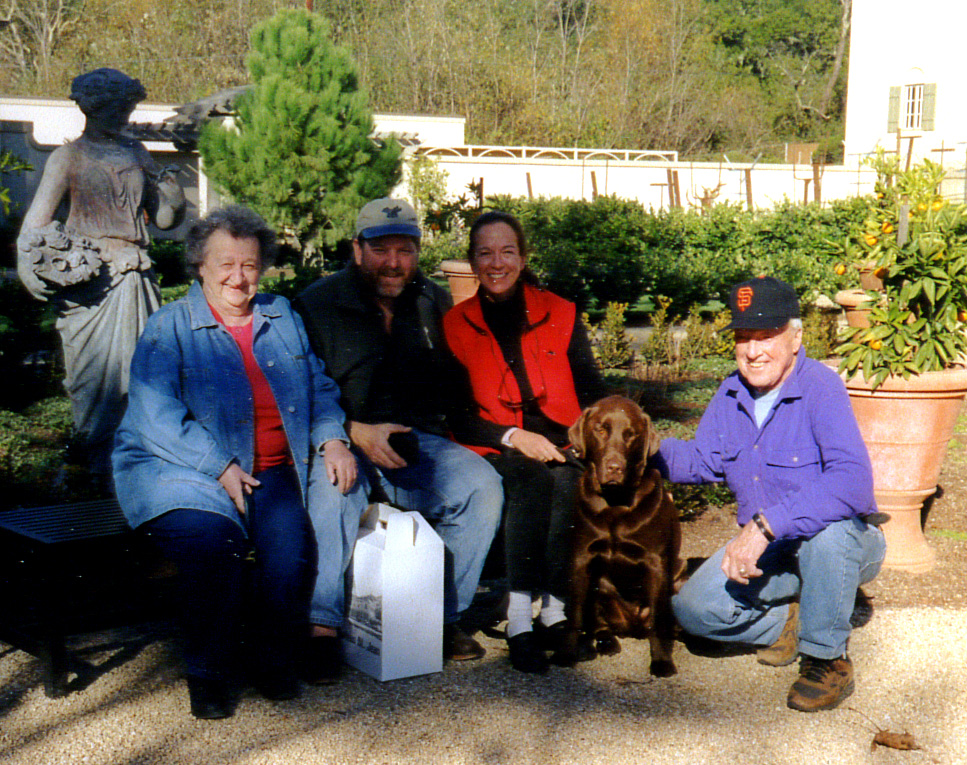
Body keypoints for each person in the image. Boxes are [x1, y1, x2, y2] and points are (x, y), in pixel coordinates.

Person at [113, 206, 368, 720]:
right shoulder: (170, 326)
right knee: (214, 544)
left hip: (267, 468)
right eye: (225, 264)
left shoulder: (281, 315)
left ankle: (270, 659)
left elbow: (318, 386)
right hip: (179, 469)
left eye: (249, 265)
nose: (238, 277)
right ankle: (207, 673)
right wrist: (219, 464)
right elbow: (154, 414)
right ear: (199, 266)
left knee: (290, 551)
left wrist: (332, 440)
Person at [657, 275, 886, 712]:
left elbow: (851, 483)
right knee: (693, 610)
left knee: (829, 536)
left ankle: (827, 659)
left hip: (845, 543)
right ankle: (792, 620)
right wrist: (639, 450)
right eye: (743, 337)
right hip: (777, 550)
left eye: (766, 336)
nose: (753, 350)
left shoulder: (821, 387)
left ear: (795, 339)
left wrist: (765, 526)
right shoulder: (730, 392)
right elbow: (703, 460)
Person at [295, 198, 503, 662]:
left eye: (405, 250)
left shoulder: (431, 301)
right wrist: (353, 432)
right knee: (334, 492)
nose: (393, 262)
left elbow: (456, 383)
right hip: (340, 440)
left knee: (482, 487)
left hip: (414, 443)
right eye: (381, 249)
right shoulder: (315, 305)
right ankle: (321, 627)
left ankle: (441, 619)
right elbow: (297, 395)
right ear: (357, 249)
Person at [442, 210, 605, 673]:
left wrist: (586, 441)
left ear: (523, 257)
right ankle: (518, 621)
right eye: (485, 254)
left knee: (567, 482)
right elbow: (459, 416)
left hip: (561, 438)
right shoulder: (456, 322)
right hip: (497, 442)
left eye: (507, 252)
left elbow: (591, 389)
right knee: (531, 480)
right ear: (472, 262)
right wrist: (514, 437)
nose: (497, 263)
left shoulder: (561, 311)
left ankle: (553, 613)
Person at [18, 68, 185, 476]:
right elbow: (34, 228)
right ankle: (93, 472)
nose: (124, 116)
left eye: (127, 108)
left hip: (135, 277)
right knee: (94, 383)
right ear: (91, 108)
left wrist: (175, 197)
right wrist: (32, 268)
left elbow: (164, 219)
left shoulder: (137, 153)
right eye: (116, 108)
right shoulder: (67, 157)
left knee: (146, 379)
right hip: (92, 284)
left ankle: (140, 467)